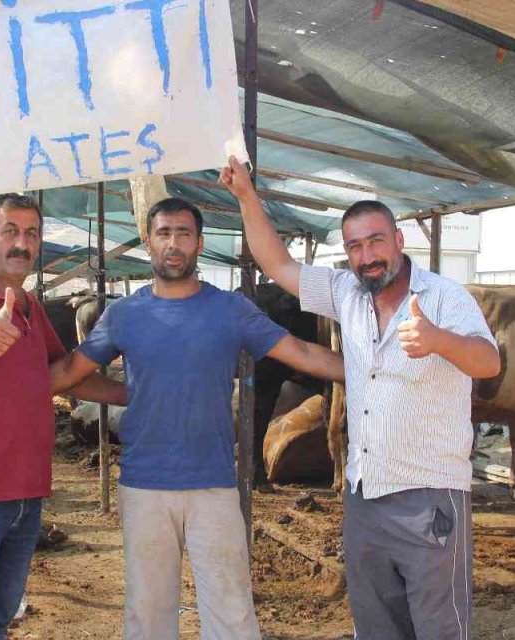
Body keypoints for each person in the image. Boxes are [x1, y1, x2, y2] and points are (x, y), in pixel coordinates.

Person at [220, 157, 500, 640]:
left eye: (376, 241)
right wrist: (247, 196)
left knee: (439, 629)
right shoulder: (346, 294)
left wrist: (439, 340)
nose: (367, 256)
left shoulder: (444, 298)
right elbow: (278, 264)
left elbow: (488, 362)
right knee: (375, 627)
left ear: (398, 241)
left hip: (429, 498)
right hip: (364, 496)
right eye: (355, 246)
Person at [49, 197, 344, 640]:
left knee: (231, 611)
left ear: (200, 243)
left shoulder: (230, 309)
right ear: (148, 242)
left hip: (213, 484)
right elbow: (70, 374)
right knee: (148, 611)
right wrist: (127, 393)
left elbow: (300, 352)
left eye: (184, 233)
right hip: (144, 484)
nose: (174, 243)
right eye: (164, 233)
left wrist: (373, 368)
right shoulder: (124, 315)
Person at [0, 194, 126, 640]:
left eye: (31, 233)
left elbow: (62, 375)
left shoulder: (31, 307)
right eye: (10, 231)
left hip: (25, 491)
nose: (22, 243)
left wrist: (131, 394)